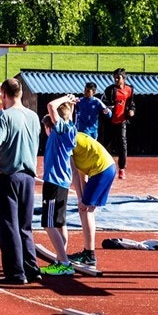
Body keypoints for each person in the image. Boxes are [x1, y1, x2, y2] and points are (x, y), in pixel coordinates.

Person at [0, 77, 41, 285]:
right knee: (25, 226)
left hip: (8, 176)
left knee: (8, 226)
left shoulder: (5, 117)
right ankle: (32, 268)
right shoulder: (33, 117)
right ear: (22, 94)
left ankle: (15, 273)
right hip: (28, 177)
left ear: (4, 95)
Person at [66, 116, 117, 266]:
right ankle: (89, 252)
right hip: (106, 167)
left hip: (102, 170)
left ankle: (89, 254)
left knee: (85, 210)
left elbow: (75, 173)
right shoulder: (78, 138)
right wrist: (82, 198)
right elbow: (83, 174)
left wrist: (81, 199)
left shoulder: (68, 140)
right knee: (87, 209)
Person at [39, 96, 81, 276]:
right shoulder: (71, 128)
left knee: (48, 224)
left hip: (54, 182)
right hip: (63, 182)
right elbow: (67, 116)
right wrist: (70, 106)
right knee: (60, 223)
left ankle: (63, 261)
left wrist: (66, 98)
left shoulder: (60, 130)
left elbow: (51, 106)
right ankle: (60, 258)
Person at [103, 68, 135, 179]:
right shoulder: (109, 90)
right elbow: (104, 102)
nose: (116, 79)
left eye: (118, 77)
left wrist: (131, 111)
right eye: (115, 77)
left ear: (124, 78)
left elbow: (132, 104)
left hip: (122, 122)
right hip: (110, 122)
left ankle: (121, 169)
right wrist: (108, 108)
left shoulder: (130, 90)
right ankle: (102, 167)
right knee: (105, 145)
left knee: (122, 144)